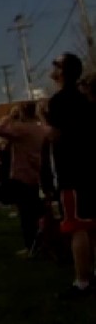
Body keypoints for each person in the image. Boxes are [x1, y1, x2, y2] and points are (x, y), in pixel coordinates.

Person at [45, 53, 96, 298]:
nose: (52, 68)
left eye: (56, 64)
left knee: (76, 227)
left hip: (70, 171)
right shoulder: (84, 100)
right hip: (88, 169)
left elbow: (55, 135)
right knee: (91, 224)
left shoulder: (58, 101)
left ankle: (82, 281)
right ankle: (91, 273)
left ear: (63, 71)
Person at [0, 103, 48, 256]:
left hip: (22, 173)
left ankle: (30, 246)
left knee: (26, 213)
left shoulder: (22, 129)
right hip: (37, 171)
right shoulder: (40, 129)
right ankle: (43, 241)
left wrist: (10, 117)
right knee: (38, 210)